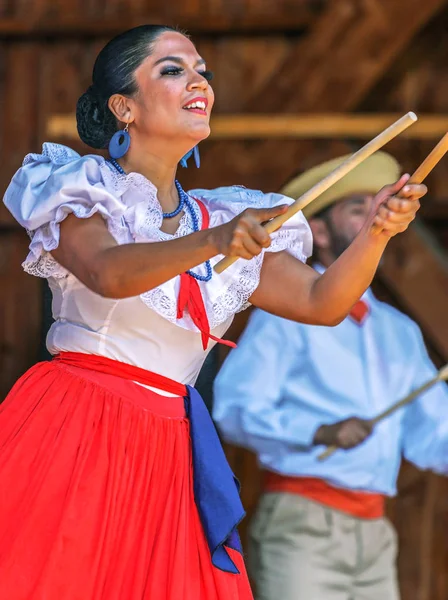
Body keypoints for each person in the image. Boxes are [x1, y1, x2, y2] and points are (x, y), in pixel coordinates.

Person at [0, 23, 424, 600]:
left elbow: (322, 303)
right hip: (81, 421)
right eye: (173, 69)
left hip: (170, 446)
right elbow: (109, 272)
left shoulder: (228, 215)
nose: (199, 80)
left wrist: (376, 233)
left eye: (203, 70)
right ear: (123, 106)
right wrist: (213, 243)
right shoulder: (84, 187)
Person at [213, 151, 448, 600]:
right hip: (303, 522)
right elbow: (233, 406)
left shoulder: (400, 331)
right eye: (357, 209)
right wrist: (319, 431)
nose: (375, 217)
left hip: (376, 531)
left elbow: (432, 430)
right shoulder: (287, 317)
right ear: (318, 231)